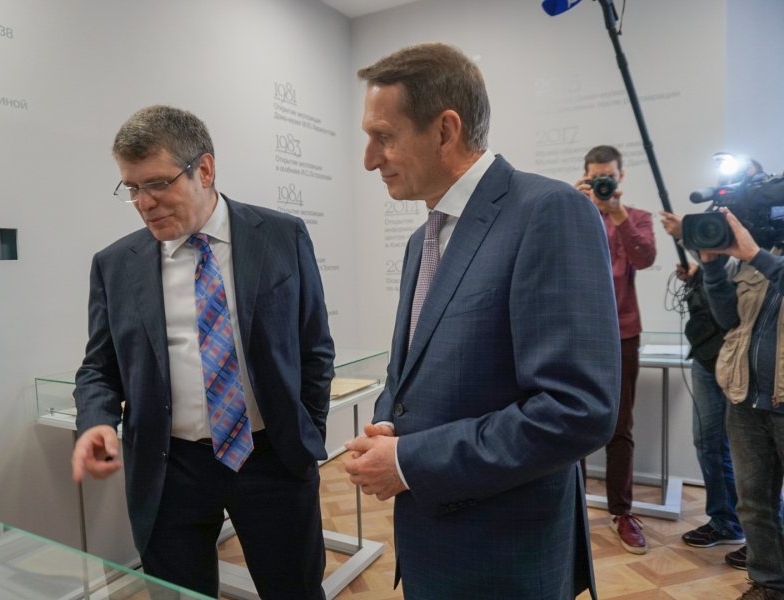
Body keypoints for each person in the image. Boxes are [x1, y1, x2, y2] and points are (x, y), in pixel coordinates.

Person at [343, 43, 621, 600]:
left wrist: (410, 461)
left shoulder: (549, 211)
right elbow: (411, 372)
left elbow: (577, 410)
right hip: (433, 542)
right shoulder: (422, 239)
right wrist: (389, 424)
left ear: (446, 130)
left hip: (505, 554)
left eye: (384, 136)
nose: (370, 159)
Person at [70, 105, 335, 599]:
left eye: (157, 183)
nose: (144, 202)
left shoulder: (281, 235)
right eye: (132, 188)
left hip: (271, 458)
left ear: (205, 170)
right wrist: (96, 421)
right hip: (170, 470)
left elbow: (314, 346)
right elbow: (98, 369)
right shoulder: (115, 265)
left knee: (294, 591)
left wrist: (306, 431)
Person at [699, 152, 784, 600]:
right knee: (754, 504)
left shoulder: (762, 253)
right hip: (747, 398)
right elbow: (730, 319)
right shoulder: (769, 244)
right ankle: (767, 585)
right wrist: (711, 267)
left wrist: (756, 256)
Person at [660, 208, 784, 570]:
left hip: (757, 364)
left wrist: (686, 235)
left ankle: (777, 542)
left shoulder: (771, 241)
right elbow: (728, 300)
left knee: (761, 462)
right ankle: (726, 523)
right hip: (713, 354)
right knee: (711, 446)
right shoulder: (733, 245)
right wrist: (703, 272)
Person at [574, 145, 657, 554]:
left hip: (623, 332)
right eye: (595, 178)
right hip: (577, 333)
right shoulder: (574, 212)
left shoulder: (636, 217)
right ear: (586, 178)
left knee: (620, 426)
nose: (603, 183)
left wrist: (618, 214)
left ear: (620, 176)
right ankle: (569, 505)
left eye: (608, 176)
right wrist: (576, 206)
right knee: (567, 419)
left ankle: (622, 512)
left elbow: (645, 258)